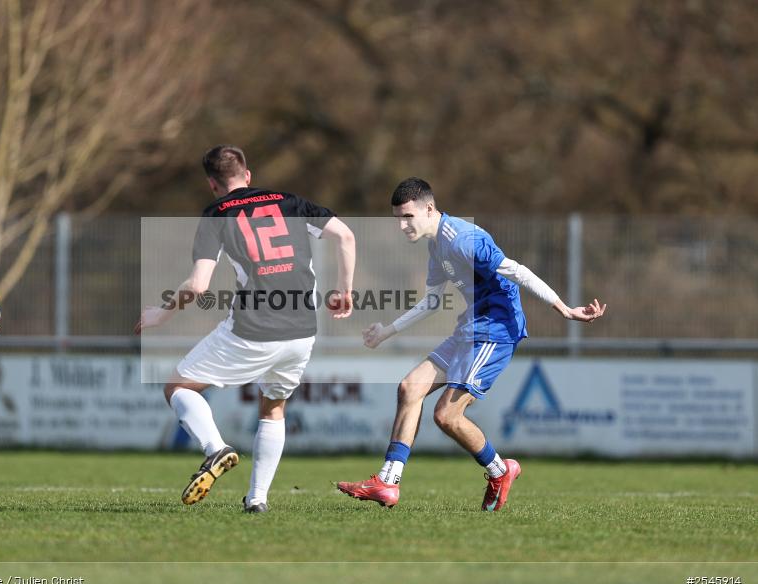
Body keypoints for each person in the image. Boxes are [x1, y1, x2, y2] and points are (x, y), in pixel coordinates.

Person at [337, 177, 605, 511]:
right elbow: (432, 302)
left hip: (496, 329)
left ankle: (500, 471)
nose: (402, 226)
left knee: (446, 415)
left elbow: (517, 271)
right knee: (410, 387)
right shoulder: (436, 246)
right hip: (470, 327)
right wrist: (387, 331)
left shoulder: (465, 239)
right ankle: (388, 483)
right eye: (398, 219)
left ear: (429, 209)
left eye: (408, 217)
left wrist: (563, 307)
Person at [136, 145, 355, 513]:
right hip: (302, 329)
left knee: (177, 386)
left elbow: (198, 286)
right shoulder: (290, 201)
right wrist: (344, 291)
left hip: (253, 329)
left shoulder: (215, 215)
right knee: (273, 409)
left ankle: (216, 448)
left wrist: (162, 313)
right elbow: (346, 236)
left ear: (212, 184)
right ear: (248, 175)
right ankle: (257, 500)